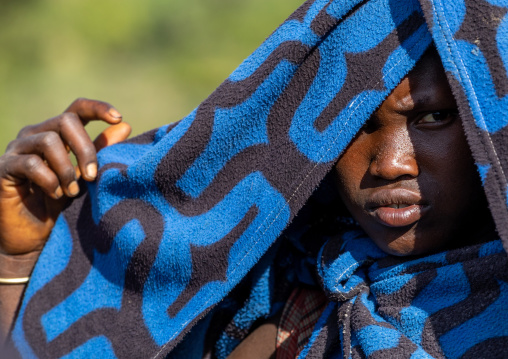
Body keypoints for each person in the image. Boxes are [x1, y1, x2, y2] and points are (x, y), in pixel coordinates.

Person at [1, 0, 508, 358]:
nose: (391, 164)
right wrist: (19, 256)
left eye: (434, 118)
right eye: (353, 124)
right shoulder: (279, 300)